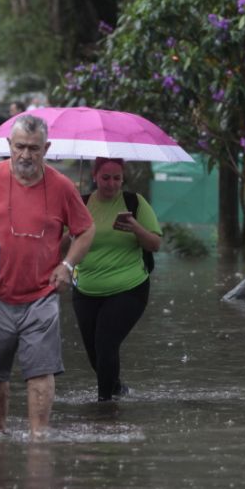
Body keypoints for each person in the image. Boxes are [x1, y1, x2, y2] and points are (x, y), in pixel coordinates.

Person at [0, 114, 95, 437]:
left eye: (34, 148)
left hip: (41, 295)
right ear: (9, 145)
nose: (26, 155)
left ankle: (38, 438)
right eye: (19, 147)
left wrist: (68, 265)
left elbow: (86, 230)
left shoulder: (62, 187)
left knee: (41, 371)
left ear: (46, 148)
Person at [71, 157, 161, 401]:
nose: (111, 184)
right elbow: (59, 247)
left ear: (123, 178)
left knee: (105, 343)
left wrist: (136, 228)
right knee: (94, 353)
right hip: (86, 288)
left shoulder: (135, 202)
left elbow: (155, 244)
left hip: (129, 287)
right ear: (94, 176)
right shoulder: (80, 204)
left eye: (117, 178)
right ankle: (117, 389)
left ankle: (104, 406)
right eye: (105, 178)